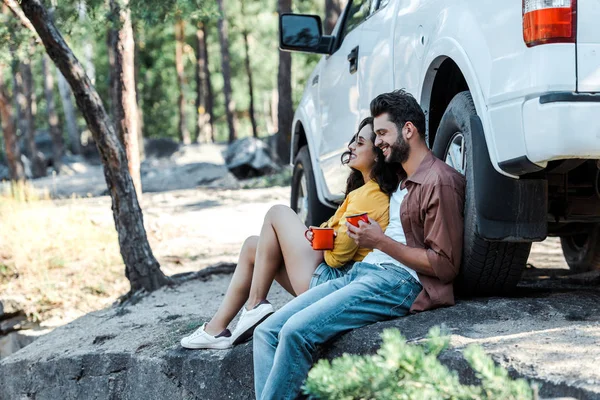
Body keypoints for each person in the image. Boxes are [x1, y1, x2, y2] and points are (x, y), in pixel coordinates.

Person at [252, 89, 466, 400]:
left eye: (383, 133)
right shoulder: (400, 178)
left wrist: (379, 241)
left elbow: (445, 265)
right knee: (266, 332)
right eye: (375, 136)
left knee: (296, 333)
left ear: (409, 130)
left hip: (399, 282)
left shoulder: (439, 181)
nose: (378, 142)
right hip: (363, 273)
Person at [180, 117, 400, 350]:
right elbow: (338, 241)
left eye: (360, 143)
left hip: (333, 285)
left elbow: (337, 257)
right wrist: (325, 235)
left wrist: (322, 239)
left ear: (377, 154)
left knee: (278, 212)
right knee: (253, 246)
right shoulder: (362, 191)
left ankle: (255, 306)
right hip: (325, 278)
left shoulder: (370, 195)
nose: (351, 147)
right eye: (353, 141)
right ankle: (216, 330)